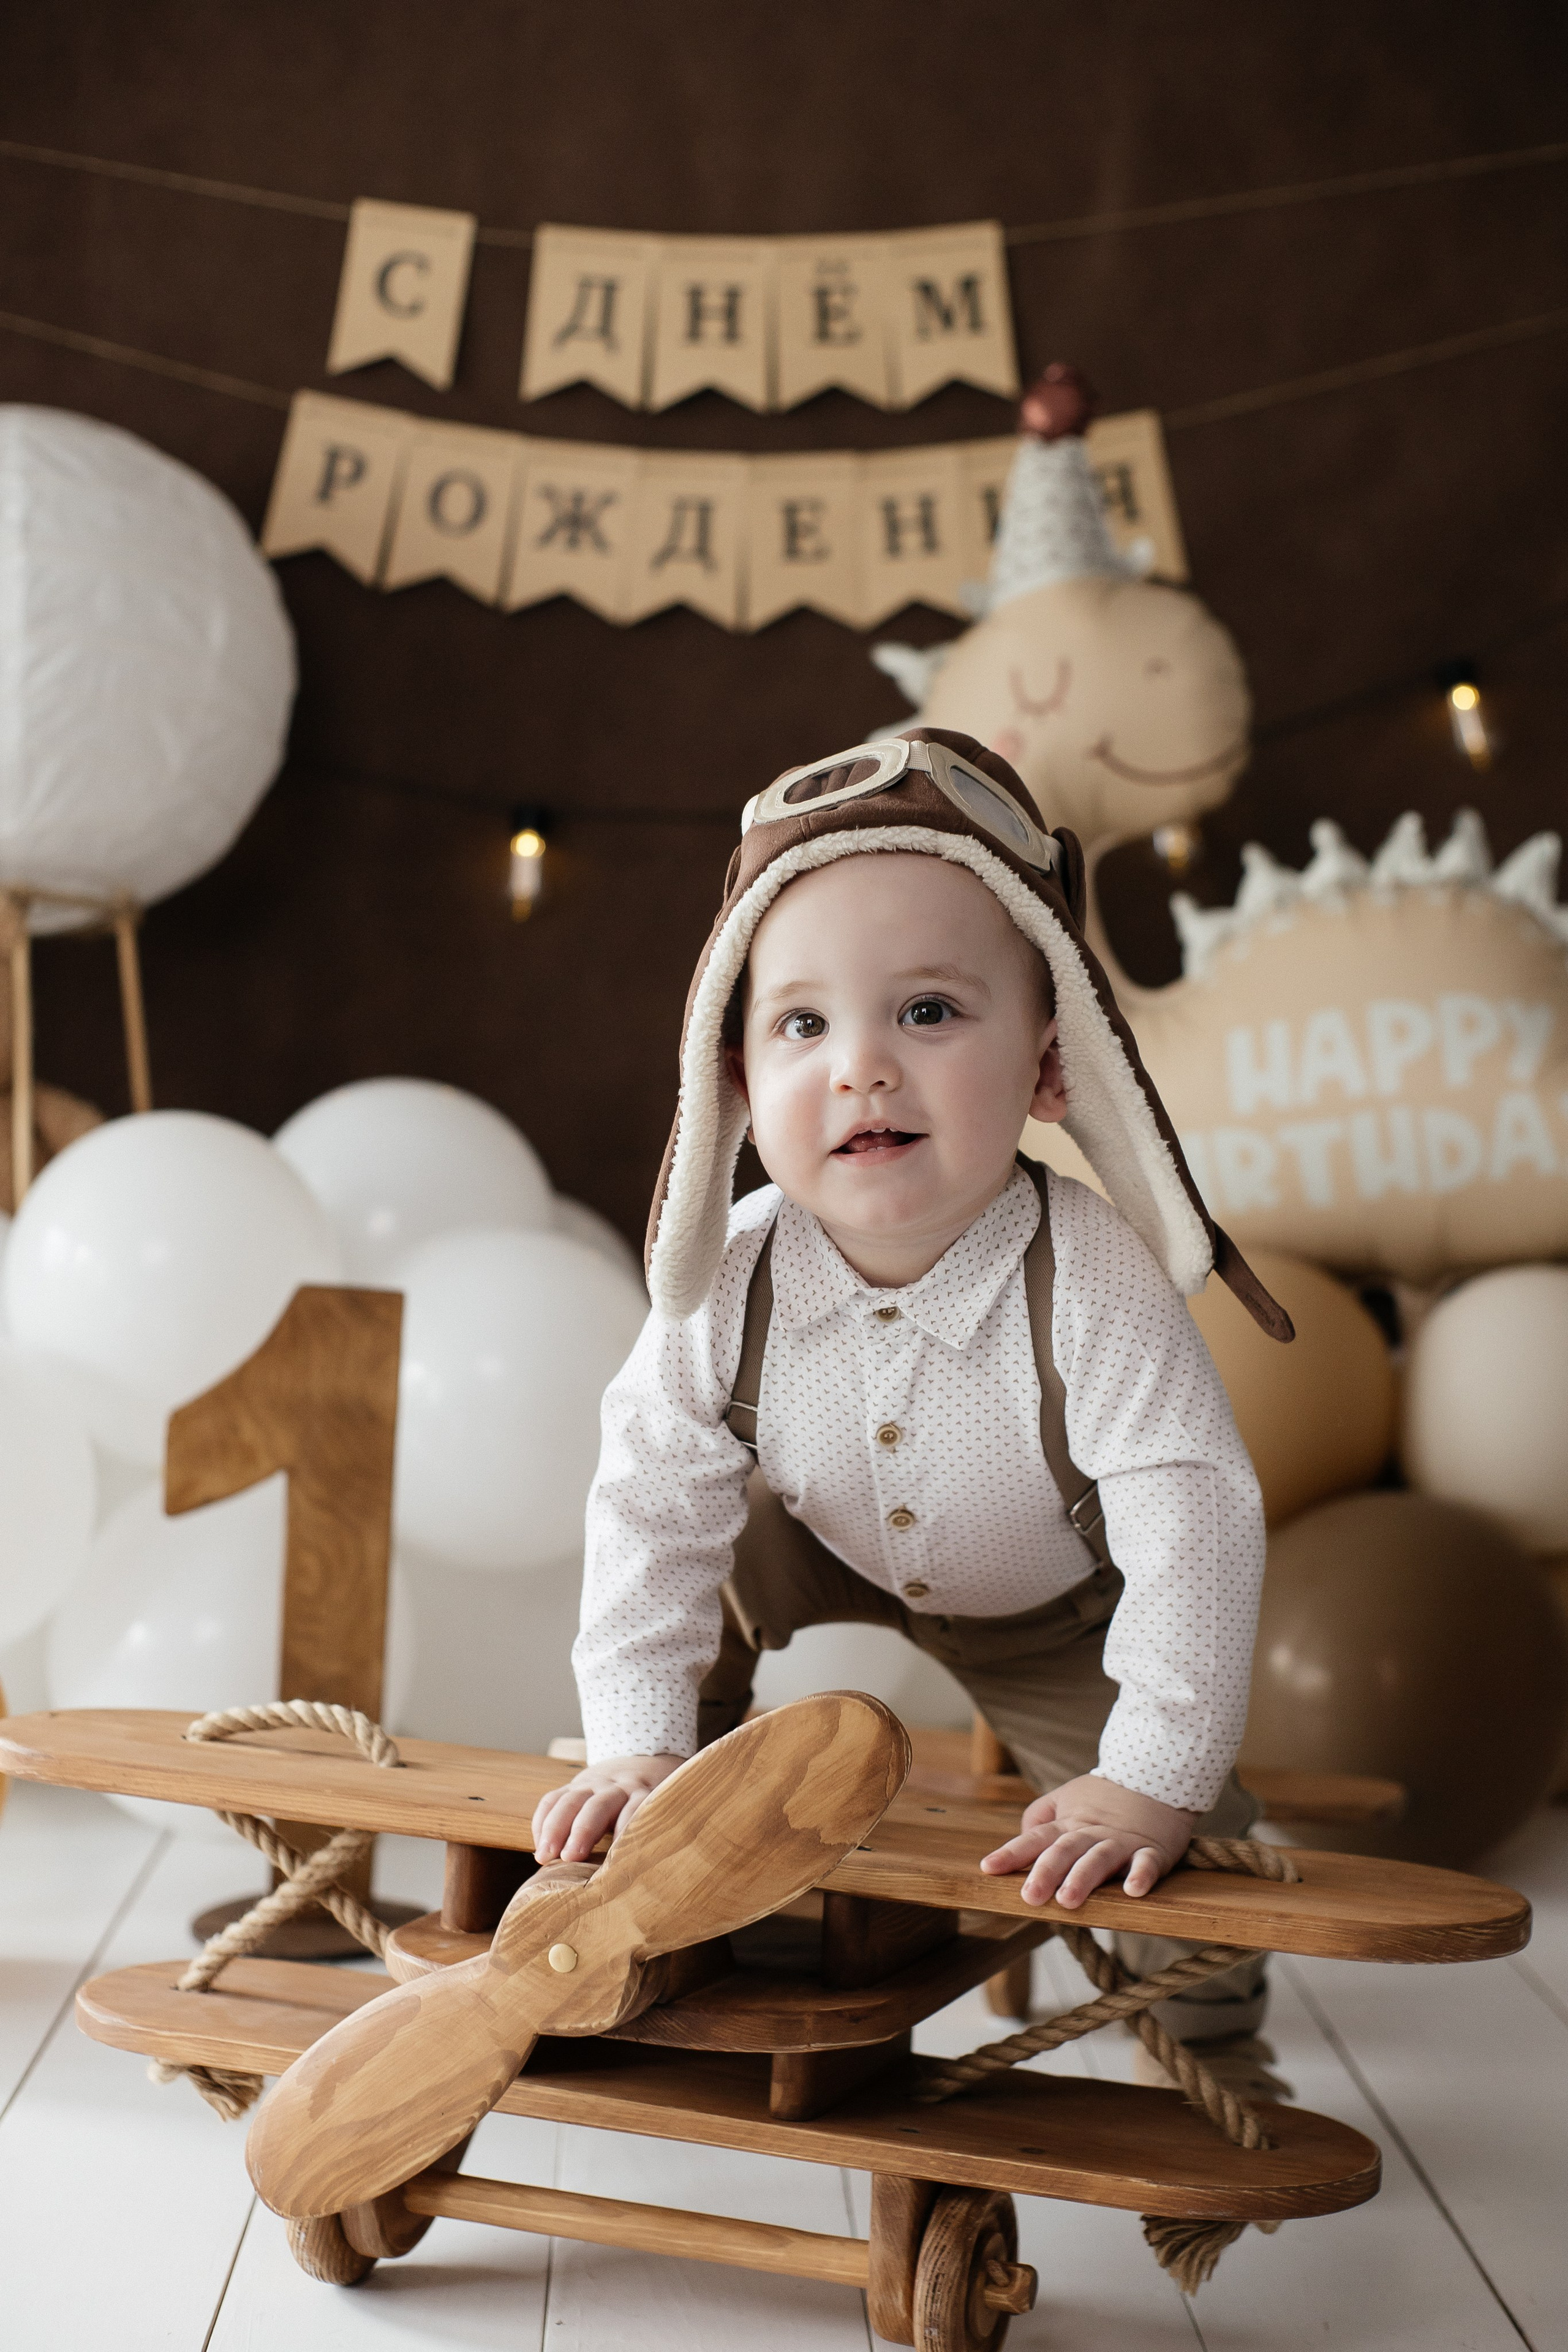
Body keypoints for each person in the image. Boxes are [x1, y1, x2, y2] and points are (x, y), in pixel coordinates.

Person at [534, 727, 1294, 2090]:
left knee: (1193, 1856)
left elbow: (1192, 1516)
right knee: (698, 1551)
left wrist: (1155, 1769)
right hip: (820, 1540)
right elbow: (648, 1497)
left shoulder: (1092, 1277)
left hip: (1054, 1608)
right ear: (736, 1085)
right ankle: (684, 1811)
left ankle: (1208, 2033)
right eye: (802, 1025)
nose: (861, 1068)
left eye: (928, 1013)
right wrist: (629, 1734)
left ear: (1048, 1066)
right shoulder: (731, 1272)